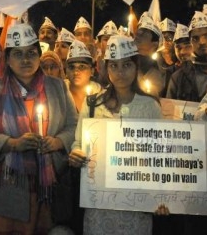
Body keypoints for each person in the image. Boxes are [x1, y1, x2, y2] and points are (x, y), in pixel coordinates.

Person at [0, 23, 78, 234]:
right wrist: (11, 144)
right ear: (6, 59)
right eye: (17, 54)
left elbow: (74, 125)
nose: (25, 60)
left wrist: (57, 141)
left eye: (31, 53)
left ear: (39, 55)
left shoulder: (58, 87)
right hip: (6, 186)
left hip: (47, 186)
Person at [69, 35, 163, 234]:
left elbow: (159, 157)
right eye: (114, 66)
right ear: (106, 68)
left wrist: (160, 196)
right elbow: (78, 142)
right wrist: (76, 153)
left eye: (127, 65)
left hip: (137, 205)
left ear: (136, 66)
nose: (120, 72)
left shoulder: (151, 106)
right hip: (100, 205)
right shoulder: (93, 104)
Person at [167, 12, 207, 102]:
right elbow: (168, 112)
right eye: (195, 38)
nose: (202, 42)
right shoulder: (178, 77)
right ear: (191, 43)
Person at [65, 40, 102, 112]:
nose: (76, 72)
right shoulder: (59, 92)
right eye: (71, 67)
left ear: (92, 71)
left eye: (82, 67)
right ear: (66, 71)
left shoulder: (100, 94)